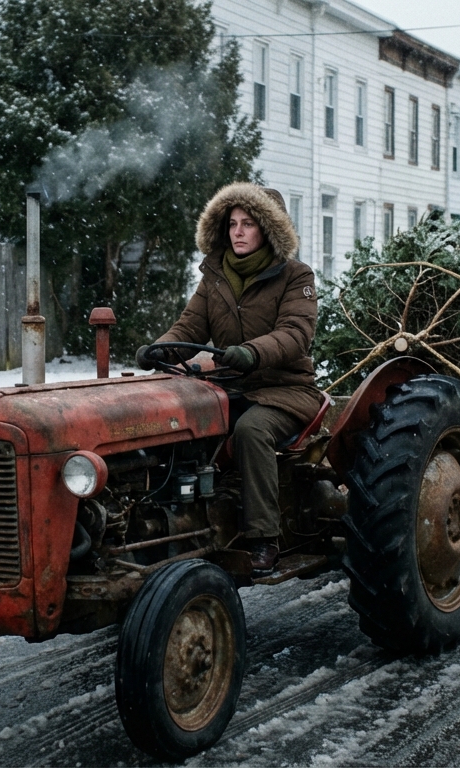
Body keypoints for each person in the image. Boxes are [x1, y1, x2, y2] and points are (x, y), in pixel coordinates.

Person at [138, 182, 319, 573]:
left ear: (269, 229)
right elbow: (188, 327)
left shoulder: (295, 276)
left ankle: (263, 538)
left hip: (284, 391)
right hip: (230, 387)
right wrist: (159, 349)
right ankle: (177, 521)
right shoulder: (215, 277)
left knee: (251, 430)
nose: (237, 231)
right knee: (177, 419)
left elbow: (295, 332)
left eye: (248, 223)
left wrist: (254, 352)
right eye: (233, 223)